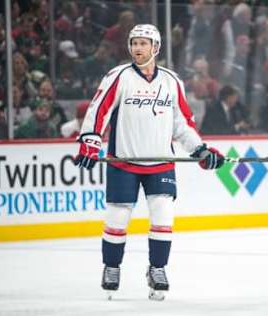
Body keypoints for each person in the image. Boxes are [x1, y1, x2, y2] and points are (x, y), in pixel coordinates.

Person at [74, 24, 225, 301]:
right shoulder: (118, 76)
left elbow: (182, 124)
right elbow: (99, 110)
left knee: (163, 216)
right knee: (118, 217)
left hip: (161, 163)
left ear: (156, 48)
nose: (137, 48)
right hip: (124, 161)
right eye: (134, 43)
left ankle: (157, 269)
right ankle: (111, 266)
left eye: (143, 43)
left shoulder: (171, 81)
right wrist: (90, 140)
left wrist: (200, 150)